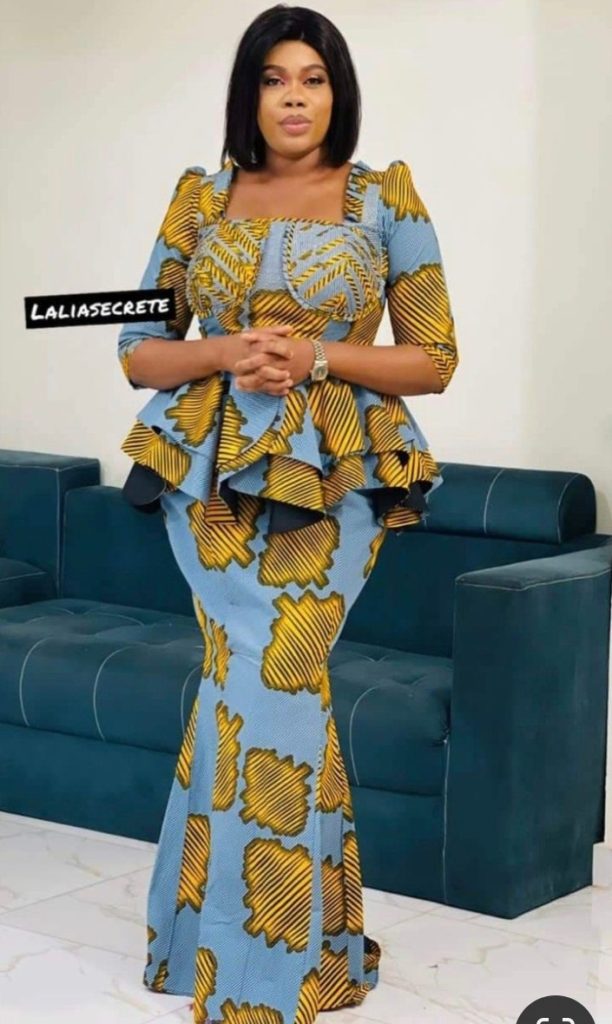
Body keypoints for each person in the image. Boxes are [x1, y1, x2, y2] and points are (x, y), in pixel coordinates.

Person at [116, 6, 459, 1023]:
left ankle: (253, 979)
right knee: (247, 686)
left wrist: (314, 356)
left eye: (314, 77)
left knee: (277, 679)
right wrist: (229, 350)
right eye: (274, 78)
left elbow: (434, 357)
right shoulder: (200, 197)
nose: (296, 96)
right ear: (250, 94)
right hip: (209, 480)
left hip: (336, 480)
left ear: (338, 92)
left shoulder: (384, 199)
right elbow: (139, 349)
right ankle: (282, 951)